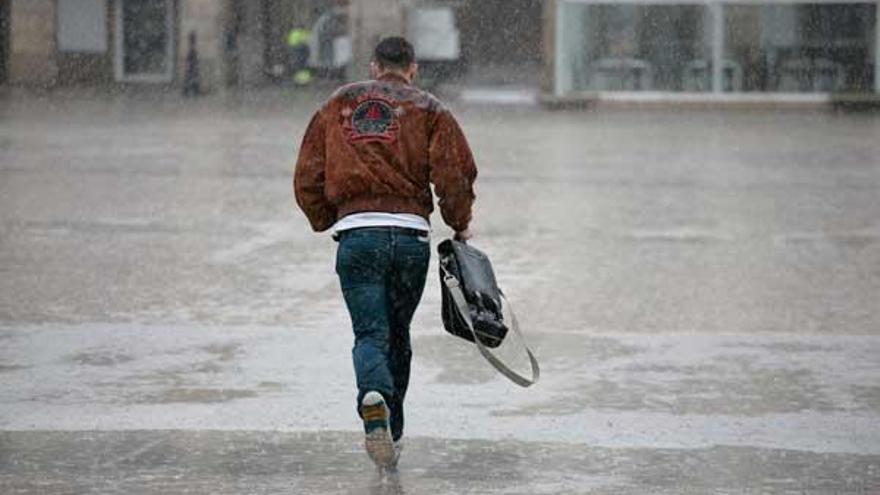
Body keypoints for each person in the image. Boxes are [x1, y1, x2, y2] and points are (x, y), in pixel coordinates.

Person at [293, 36, 477, 470]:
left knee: (369, 334)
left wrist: (327, 218)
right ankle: (391, 432)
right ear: (412, 68)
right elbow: (455, 173)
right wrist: (459, 222)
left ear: (374, 67)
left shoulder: (337, 104)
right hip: (411, 238)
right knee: (399, 335)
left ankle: (372, 398)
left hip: (358, 237)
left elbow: (306, 176)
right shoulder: (430, 109)